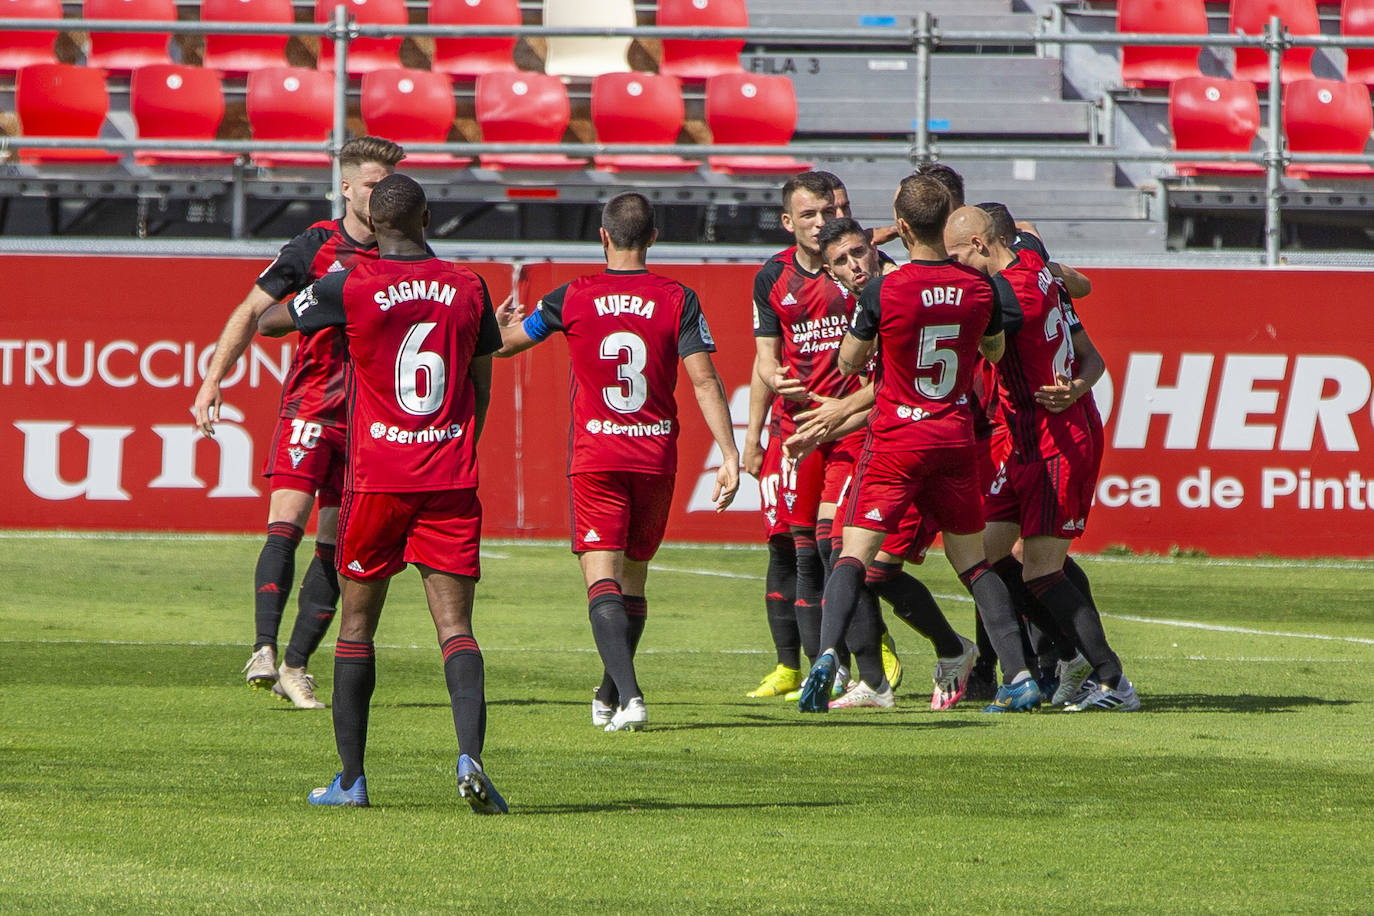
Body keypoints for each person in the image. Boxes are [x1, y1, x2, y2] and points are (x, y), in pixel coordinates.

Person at [258, 173, 509, 810]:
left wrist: (319, 301)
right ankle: (469, 758)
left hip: (377, 481)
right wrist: (459, 437)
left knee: (358, 627)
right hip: (449, 477)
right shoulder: (468, 285)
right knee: (456, 627)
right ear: (428, 216)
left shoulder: (352, 282)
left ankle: (351, 779)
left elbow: (270, 321)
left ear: (373, 216)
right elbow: (481, 379)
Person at [494, 191, 741, 732]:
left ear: (602, 237)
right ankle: (609, 693)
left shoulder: (572, 296)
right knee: (633, 583)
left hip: (597, 453)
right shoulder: (678, 297)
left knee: (601, 579)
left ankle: (630, 696)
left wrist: (493, 327)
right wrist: (728, 452)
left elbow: (509, 344)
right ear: (654, 238)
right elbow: (704, 380)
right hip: (655, 455)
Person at [797, 187, 1039, 716]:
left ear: (902, 229)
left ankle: (826, 655)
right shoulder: (980, 286)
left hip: (897, 441)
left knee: (850, 554)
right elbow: (994, 350)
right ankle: (1020, 676)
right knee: (974, 565)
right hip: (954, 436)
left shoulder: (884, 291)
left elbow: (847, 363)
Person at [192, 136, 405, 709]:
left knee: (337, 547)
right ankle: (262, 647)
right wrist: (214, 378)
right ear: (344, 186)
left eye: (387, 184)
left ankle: (295, 666)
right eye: (369, 183)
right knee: (284, 526)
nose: (379, 193)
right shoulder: (314, 245)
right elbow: (251, 311)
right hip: (311, 407)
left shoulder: (404, 249)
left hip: (368, 424)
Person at [945, 205, 1138, 712]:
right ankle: (1064, 657)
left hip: (1057, 441)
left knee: (1041, 571)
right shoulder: (1030, 262)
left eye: (956, 255)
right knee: (985, 558)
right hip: (1024, 441)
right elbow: (1033, 241)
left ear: (980, 246)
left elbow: (984, 348)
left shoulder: (1010, 298)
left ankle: (1111, 679)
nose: (953, 265)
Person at [784, 217, 980, 710]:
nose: (854, 266)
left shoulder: (899, 288)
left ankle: (962, 654)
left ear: (875, 247)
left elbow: (902, 390)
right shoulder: (861, 295)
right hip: (888, 440)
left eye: (858, 254)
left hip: (921, 444)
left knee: (871, 567)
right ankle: (875, 677)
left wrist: (833, 418)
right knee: (838, 553)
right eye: (841, 262)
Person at [752, 171, 901, 700]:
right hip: (800, 430)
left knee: (837, 547)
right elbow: (764, 360)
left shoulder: (869, 276)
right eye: (809, 215)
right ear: (789, 222)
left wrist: (844, 409)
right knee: (801, 549)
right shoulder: (772, 278)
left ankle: (874, 663)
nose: (821, 223)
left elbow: (893, 372)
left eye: (828, 212)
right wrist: (761, 415)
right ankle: (828, 667)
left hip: (856, 430)